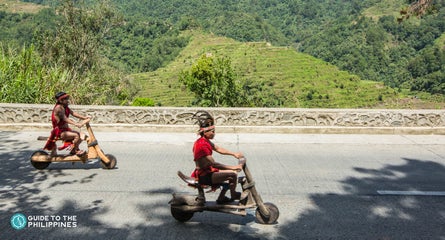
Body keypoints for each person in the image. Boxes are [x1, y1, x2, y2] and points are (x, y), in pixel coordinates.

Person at [191, 110, 245, 204]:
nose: (214, 133)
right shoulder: (202, 145)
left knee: (230, 173)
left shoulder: (205, 141)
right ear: (205, 132)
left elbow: (218, 149)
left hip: (208, 171)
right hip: (204, 175)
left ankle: (221, 198)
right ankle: (233, 194)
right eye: (212, 131)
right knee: (232, 175)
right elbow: (214, 164)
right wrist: (233, 167)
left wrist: (234, 154)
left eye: (214, 131)